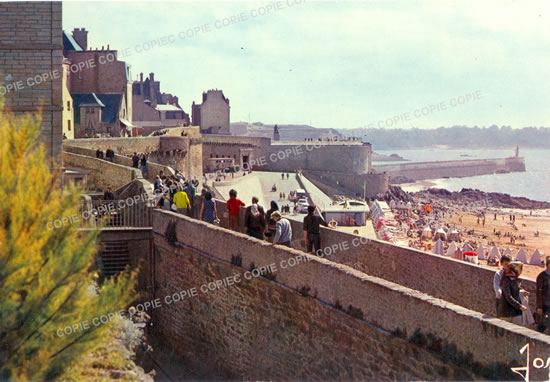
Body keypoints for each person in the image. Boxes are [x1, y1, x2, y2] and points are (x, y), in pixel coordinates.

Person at [536, 256, 550, 333]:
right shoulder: (542, 276)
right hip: (544, 304)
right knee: (542, 324)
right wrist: (539, 307)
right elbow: (539, 292)